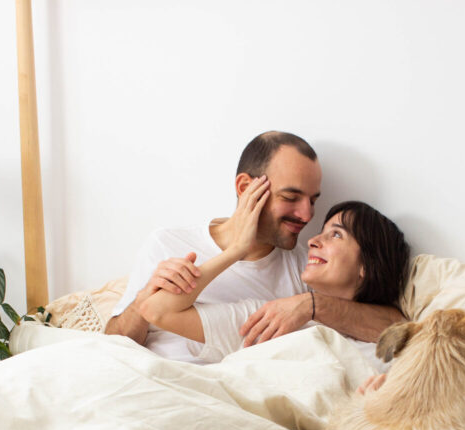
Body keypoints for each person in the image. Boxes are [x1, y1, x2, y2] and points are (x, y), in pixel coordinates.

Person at [105, 131, 404, 363]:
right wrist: (142, 300)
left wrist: (311, 305)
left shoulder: (309, 270)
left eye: (313, 200)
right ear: (246, 188)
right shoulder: (169, 243)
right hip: (149, 377)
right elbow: (112, 341)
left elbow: (398, 327)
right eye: (291, 197)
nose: (307, 215)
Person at [138, 196, 410, 371]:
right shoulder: (277, 319)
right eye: (321, 232)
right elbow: (157, 310)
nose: (313, 240)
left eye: (336, 235)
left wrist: (313, 304)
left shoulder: (397, 347)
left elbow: (405, 330)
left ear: (367, 264)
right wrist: (235, 251)